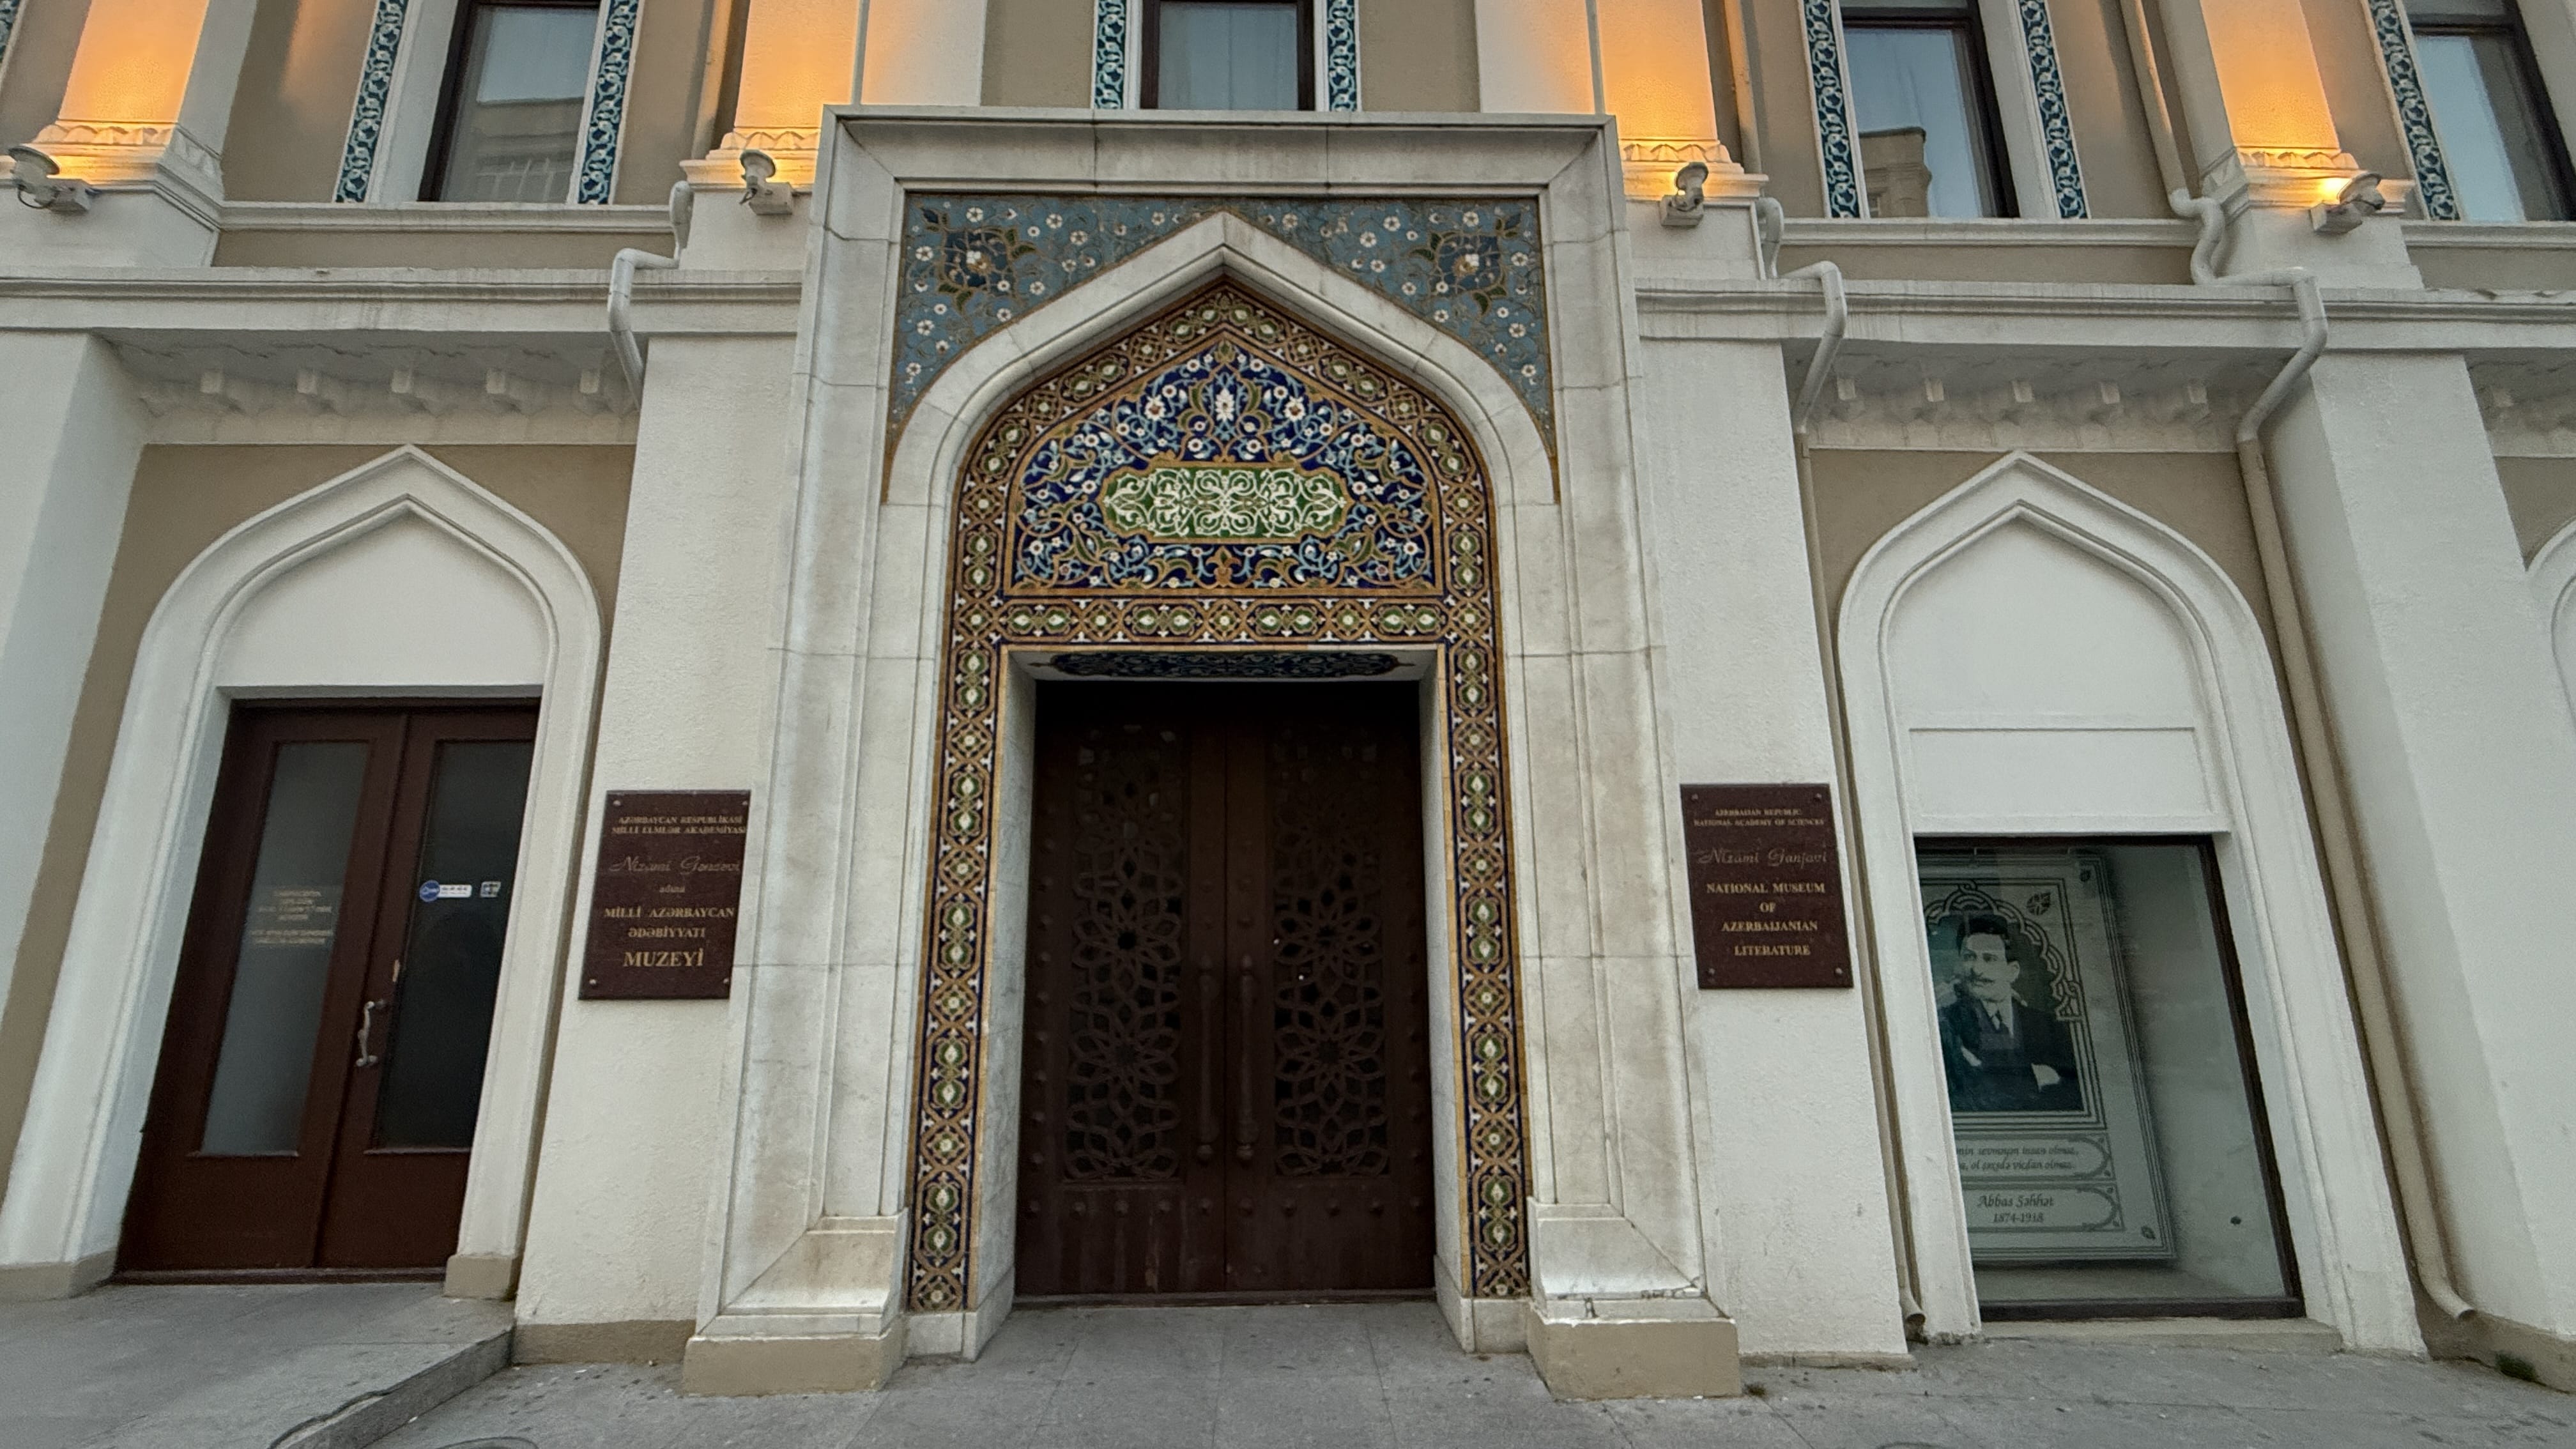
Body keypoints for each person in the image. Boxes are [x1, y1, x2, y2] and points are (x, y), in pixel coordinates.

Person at [1936, 914, 2084, 1113]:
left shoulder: (2047, 1025)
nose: (1976, 970)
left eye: (1989, 959)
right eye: (1969, 957)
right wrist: (2034, 1078)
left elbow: (2073, 1093)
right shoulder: (1947, 1023)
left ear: (2012, 971)